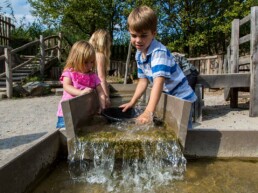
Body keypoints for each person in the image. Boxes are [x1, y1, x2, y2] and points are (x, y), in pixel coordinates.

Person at [119, 5, 197, 128]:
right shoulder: (140, 54)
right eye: (134, 35)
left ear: (153, 33)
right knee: (167, 126)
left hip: (182, 98)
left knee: (182, 131)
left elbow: (158, 83)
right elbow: (143, 81)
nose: (138, 40)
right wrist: (132, 102)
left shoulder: (158, 53)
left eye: (143, 35)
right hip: (169, 95)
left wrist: (148, 112)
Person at [56, 40, 108, 129]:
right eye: (86, 62)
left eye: (92, 62)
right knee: (65, 134)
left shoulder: (93, 76)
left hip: (84, 113)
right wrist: (80, 93)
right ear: (76, 59)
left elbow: (101, 92)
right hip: (67, 114)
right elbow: (66, 86)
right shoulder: (69, 72)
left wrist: (103, 107)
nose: (90, 65)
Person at [89, 29, 112, 106]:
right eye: (108, 41)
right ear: (104, 43)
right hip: (96, 93)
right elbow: (101, 78)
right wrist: (107, 97)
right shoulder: (99, 56)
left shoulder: (90, 55)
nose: (110, 43)